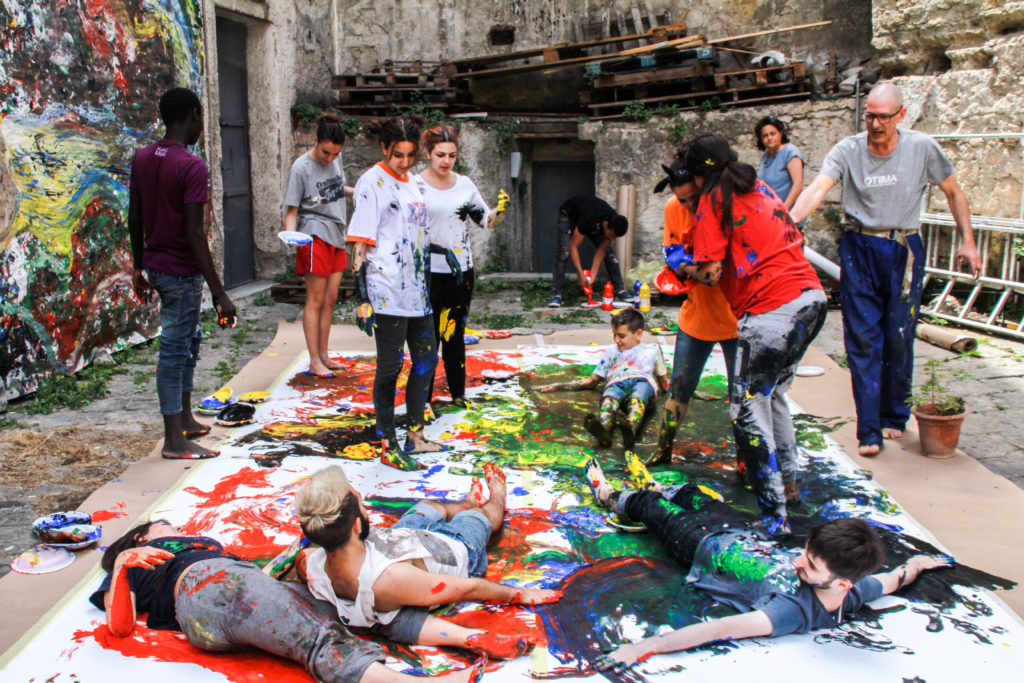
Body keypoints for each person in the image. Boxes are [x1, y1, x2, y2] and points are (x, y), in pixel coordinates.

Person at [582, 459, 953, 672]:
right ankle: (668, 492)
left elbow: (712, 631)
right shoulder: (859, 589)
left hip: (698, 544)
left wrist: (641, 648)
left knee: (648, 506)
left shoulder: (786, 612)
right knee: (691, 493)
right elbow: (896, 579)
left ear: (841, 584)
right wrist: (920, 562)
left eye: (809, 565)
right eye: (804, 552)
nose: (797, 562)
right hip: (738, 529)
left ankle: (609, 495)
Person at [790, 83, 982, 457]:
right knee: (863, 340)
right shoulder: (848, 149)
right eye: (869, 116)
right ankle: (869, 430)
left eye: (883, 117)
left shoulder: (921, 148)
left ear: (901, 115)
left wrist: (968, 242)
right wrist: (789, 222)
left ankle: (894, 414)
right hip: (859, 248)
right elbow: (817, 188)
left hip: (904, 250)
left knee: (899, 335)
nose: (875, 124)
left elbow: (954, 192)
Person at [89, 520, 486, 683]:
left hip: (237, 587)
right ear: (143, 536)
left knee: (348, 603)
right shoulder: (141, 559)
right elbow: (120, 625)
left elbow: (257, 583)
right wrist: (123, 568)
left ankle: (464, 637)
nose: (175, 526)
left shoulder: (203, 546)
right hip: (204, 589)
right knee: (313, 635)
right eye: (164, 525)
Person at [683, 134, 827, 535]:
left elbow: (710, 272)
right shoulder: (757, 186)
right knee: (773, 394)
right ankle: (790, 484)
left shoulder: (714, 200)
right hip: (811, 300)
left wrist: (685, 269)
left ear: (698, 176)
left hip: (771, 311)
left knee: (747, 408)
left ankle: (775, 514)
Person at [292, 465, 560, 658]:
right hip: (454, 549)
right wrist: (520, 594)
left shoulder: (310, 562)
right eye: (362, 504)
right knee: (479, 517)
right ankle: (495, 495)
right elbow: (469, 588)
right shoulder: (389, 580)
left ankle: (466, 501)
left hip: (399, 538)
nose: (367, 508)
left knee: (427, 506)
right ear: (353, 525)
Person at [128, 87, 236, 460]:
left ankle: (185, 419)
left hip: (157, 265)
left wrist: (138, 264)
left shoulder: (143, 157)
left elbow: (135, 215)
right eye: (201, 119)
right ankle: (174, 440)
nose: (201, 127)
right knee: (175, 351)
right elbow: (194, 232)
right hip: (180, 271)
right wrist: (219, 291)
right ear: (192, 115)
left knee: (189, 341)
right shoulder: (191, 165)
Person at [347, 116, 455, 468]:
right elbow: (360, 245)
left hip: (418, 290)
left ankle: (415, 435)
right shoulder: (371, 183)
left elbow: (413, 233)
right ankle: (386, 442)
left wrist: (441, 252)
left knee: (426, 361)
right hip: (386, 289)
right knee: (390, 367)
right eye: (398, 155)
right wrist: (361, 298)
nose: (405, 163)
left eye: (411, 155)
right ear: (384, 148)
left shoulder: (412, 182)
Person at [414, 124, 508, 409]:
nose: (446, 161)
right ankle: (423, 400)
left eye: (452, 155)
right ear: (428, 153)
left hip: (460, 274)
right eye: (440, 154)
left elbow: (485, 221)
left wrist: (498, 213)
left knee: (454, 336)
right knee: (427, 341)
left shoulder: (465, 184)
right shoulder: (414, 184)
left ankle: (457, 395)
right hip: (426, 274)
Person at [652, 158, 739, 464]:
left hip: (737, 320)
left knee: (742, 400)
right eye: (681, 199)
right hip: (696, 316)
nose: (687, 206)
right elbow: (671, 252)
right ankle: (663, 450)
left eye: (693, 198)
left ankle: (746, 460)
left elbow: (720, 268)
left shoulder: (725, 209)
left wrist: (690, 265)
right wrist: (686, 266)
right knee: (679, 390)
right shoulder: (673, 210)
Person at [284, 115, 354, 378]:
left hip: (337, 233)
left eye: (336, 153)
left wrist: (357, 191)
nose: (330, 158)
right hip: (314, 233)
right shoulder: (300, 168)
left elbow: (334, 190)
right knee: (315, 299)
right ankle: (314, 360)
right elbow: (292, 210)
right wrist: (290, 235)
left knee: (331, 299)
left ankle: (324, 355)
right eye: (326, 152)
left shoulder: (336, 158)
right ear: (315, 141)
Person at [537, 309, 668, 449]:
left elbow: (664, 383)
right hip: (616, 383)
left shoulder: (653, 350)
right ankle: (604, 431)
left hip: (642, 382)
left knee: (637, 400)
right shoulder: (612, 351)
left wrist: (686, 390)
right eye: (615, 335)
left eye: (622, 336)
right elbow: (592, 380)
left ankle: (630, 428)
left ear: (638, 334)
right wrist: (559, 385)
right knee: (608, 400)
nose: (617, 340)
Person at [547, 195, 631, 308]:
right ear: (606, 225)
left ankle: (620, 291)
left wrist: (593, 276)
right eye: (611, 235)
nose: (611, 239)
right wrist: (580, 274)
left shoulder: (612, 221)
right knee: (564, 252)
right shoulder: (588, 219)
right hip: (569, 214)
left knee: (609, 254)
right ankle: (557, 294)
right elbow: (573, 246)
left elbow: (602, 249)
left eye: (614, 237)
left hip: (594, 221)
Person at [755, 115, 805, 211]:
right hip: (770, 212)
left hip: (787, 213)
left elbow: (798, 184)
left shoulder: (790, 152)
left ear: (780, 133)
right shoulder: (765, 155)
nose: (769, 138)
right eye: (765, 135)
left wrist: (784, 209)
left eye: (773, 133)